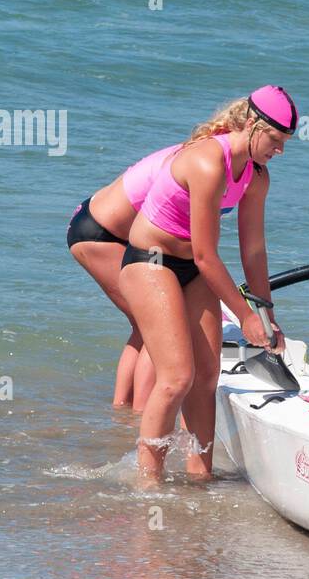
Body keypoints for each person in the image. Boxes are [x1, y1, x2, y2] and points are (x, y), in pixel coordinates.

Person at [118, 86, 298, 481]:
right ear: (252, 124)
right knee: (177, 377)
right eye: (276, 140)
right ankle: (148, 483)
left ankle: (200, 478)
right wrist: (244, 316)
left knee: (206, 378)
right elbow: (206, 254)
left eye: (286, 143)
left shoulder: (256, 176)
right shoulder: (206, 162)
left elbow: (253, 251)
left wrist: (267, 314)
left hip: (193, 268)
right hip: (151, 262)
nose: (280, 151)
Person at [67, 141, 182, 407]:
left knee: (143, 324)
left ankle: (122, 411)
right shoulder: (196, 162)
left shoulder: (199, 154)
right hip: (101, 234)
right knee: (158, 325)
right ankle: (141, 416)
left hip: (97, 224)